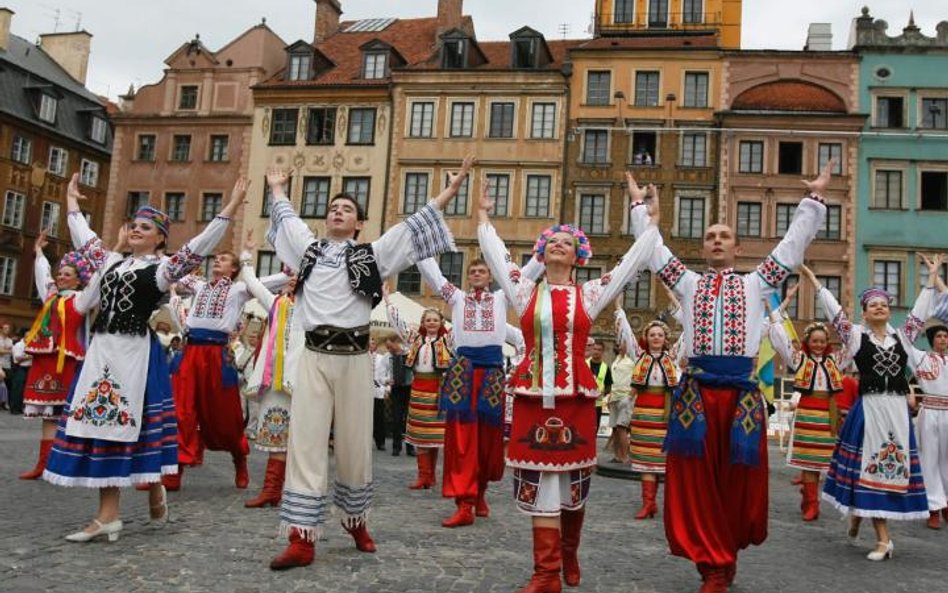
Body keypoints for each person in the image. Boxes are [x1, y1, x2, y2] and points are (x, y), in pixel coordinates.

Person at [627, 161, 830, 591]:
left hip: (740, 400)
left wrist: (812, 200)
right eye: (710, 237)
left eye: (725, 237)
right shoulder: (687, 283)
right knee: (696, 481)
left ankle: (724, 554)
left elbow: (792, 247)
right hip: (697, 398)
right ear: (703, 248)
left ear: (738, 249)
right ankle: (713, 563)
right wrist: (639, 208)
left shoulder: (758, 283)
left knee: (737, 482)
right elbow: (652, 250)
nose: (717, 241)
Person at [265, 156, 473, 570]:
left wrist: (449, 192)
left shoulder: (370, 255)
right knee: (305, 443)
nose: (337, 212)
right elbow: (287, 221)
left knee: (356, 446)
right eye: (332, 208)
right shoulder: (308, 250)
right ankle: (301, 538)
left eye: (346, 210)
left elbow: (412, 227)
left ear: (359, 223)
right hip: (314, 356)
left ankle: (355, 521)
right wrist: (276, 189)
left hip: (355, 358)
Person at [42, 173, 246, 542]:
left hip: (135, 353)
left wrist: (230, 207)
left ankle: (122, 506)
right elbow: (84, 240)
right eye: (134, 225)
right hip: (101, 352)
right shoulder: (111, 263)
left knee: (125, 426)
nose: (135, 230)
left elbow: (198, 248)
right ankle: (113, 512)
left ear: (160, 237)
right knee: (101, 426)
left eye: (145, 227)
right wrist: (72, 202)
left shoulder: (163, 269)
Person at [478, 179, 659, 592]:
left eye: (566, 242)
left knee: (574, 484)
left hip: (576, 399)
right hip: (531, 398)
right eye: (552, 241)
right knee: (539, 481)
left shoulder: (591, 294)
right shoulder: (524, 291)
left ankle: (569, 550)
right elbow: (496, 254)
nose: (558, 244)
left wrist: (647, 219)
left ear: (579, 255)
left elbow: (632, 262)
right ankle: (546, 574)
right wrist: (485, 214)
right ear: (541, 253)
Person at [809, 257, 939, 560]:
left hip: (896, 411)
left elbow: (920, 311)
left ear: (889, 311)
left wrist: (932, 278)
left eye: (884, 304)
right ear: (865, 314)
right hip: (869, 409)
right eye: (873, 305)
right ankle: (883, 540)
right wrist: (815, 283)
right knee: (870, 468)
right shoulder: (856, 337)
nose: (879, 308)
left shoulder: (903, 337)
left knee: (888, 470)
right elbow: (834, 312)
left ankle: (859, 516)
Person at [416, 254, 542, 527]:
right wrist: (420, 245)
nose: (475, 273)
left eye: (481, 270)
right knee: (461, 437)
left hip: (492, 373)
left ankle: (480, 492)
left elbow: (525, 274)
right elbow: (433, 274)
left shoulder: (501, 298)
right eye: (472, 270)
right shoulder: (456, 298)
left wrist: (544, 250)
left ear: (489, 276)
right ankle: (464, 502)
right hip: (463, 371)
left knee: (488, 438)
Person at [168, 230, 287, 491]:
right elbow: (172, 269)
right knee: (182, 409)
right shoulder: (198, 286)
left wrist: (252, 255)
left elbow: (270, 281)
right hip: (190, 352)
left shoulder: (238, 290)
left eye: (223, 260)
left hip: (216, 354)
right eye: (216, 259)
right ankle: (177, 465)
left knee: (224, 414)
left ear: (233, 269)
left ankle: (238, 457)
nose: (217, 262)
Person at [19, 225, 93, 480]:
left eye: (67, 273)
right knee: (49, 415)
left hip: (68, 363)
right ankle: (44, 464)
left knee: (68, 414)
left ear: (78, 278)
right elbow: (43, 276)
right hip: (45, 362)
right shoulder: (51, 297)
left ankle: (69, 462)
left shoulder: (80, 300)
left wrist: (112, 254)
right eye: (59, 273)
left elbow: (98, 286)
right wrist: (39, 251)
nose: (60, 277)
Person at [768, 282, 845, 521]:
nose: (819, 345)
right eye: (815, 341)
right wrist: (775, 314)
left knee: (823, 463)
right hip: (807, 414)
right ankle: (813, 504)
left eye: (823, 341)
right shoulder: (799, 360)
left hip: (828, 416)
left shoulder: (836, 361)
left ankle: (810, 495)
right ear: (808, 342)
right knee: (808, 462)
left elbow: (852, 341)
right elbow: (780, 339)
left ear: (828, 343)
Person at [239, 231, 300, 509]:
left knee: (300, 440)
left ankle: (291, 491)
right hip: (273, 380)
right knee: (276, 436)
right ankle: (271, 490)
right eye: (289, 275)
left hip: (302, 379)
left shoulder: (316, 306)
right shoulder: (276, 303)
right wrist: (248, 255)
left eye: (297, 276)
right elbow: (251, 282)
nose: (292, 280)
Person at [615, 299, 681, 520]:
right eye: (652, 335)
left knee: (661, 462)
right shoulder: (639, 356)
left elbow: (688, 333)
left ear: (665, 339)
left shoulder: (673, 359)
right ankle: (648, 504)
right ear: (646, 338)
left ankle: (657, 503)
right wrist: (619, 309)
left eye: (659, 335)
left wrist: (677, 304)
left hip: (664, 415)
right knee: (645, 462)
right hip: (643, 414)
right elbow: (626, 333)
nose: (655, 338)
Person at [385, 290, 453, 490]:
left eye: (435, 320)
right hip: (418, 389)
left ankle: (431, 476)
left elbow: (461, 329)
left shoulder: (447, 341)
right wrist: (388, 302)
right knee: (421, 436)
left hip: (438, 391)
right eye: (428, 320)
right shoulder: (414, 339)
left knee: (434, 436)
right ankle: (424, 476)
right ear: (423, 323)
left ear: (441, 323)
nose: (431, 323)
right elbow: (399, 324)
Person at [909, 319, 948, 529]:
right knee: (930, 459)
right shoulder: (922, 358)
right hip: (930, 410)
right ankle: (933, 508)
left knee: (947, 460)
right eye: (938, 336)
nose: (942, 339)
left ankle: (946, 503)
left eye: (945, 336)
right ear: (932, 340)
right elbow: (905, 343)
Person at [607, 304, 635, 465]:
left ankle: (625, 456)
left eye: (622, 342)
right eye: (618, 342)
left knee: (622, 427)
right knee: (615, 429)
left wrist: (631, 396)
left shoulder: (632, 359)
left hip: (626, 396)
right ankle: (617, 455)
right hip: (615, 396)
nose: (620, 344)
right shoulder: (617, 359)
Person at [385, 334, 413, 457]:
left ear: (397, 343)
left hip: (409, 388)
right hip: (396, 389)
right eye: (387, 347)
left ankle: (410, 447)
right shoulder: (387, 358)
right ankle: (396, 447)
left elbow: (415, 369)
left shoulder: (410, 354)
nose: (389, 349)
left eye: (390, 346)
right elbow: (382, 374)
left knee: (409, 419)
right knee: (396, 418)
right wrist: (388, 380)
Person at [587, 341, 612, 435]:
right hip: (584, 403)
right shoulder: (584, 364)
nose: (596, 351)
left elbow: (609, 386)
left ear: (603, 352)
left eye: (599, 350)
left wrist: (603, 393)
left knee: (594, 429)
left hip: (597, 404)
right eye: (594, 349)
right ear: (591, 349)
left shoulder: (606, 368)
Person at [372, 335, 391, 452]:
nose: (370, 345)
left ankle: (380, 442)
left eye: (373, 343)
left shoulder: (382, 358)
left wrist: (387, 388)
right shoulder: (359, 358)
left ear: (376, 346)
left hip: (377, 390)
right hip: (361, 392)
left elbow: (388, 373)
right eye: (368, 342)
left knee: (379, 417)